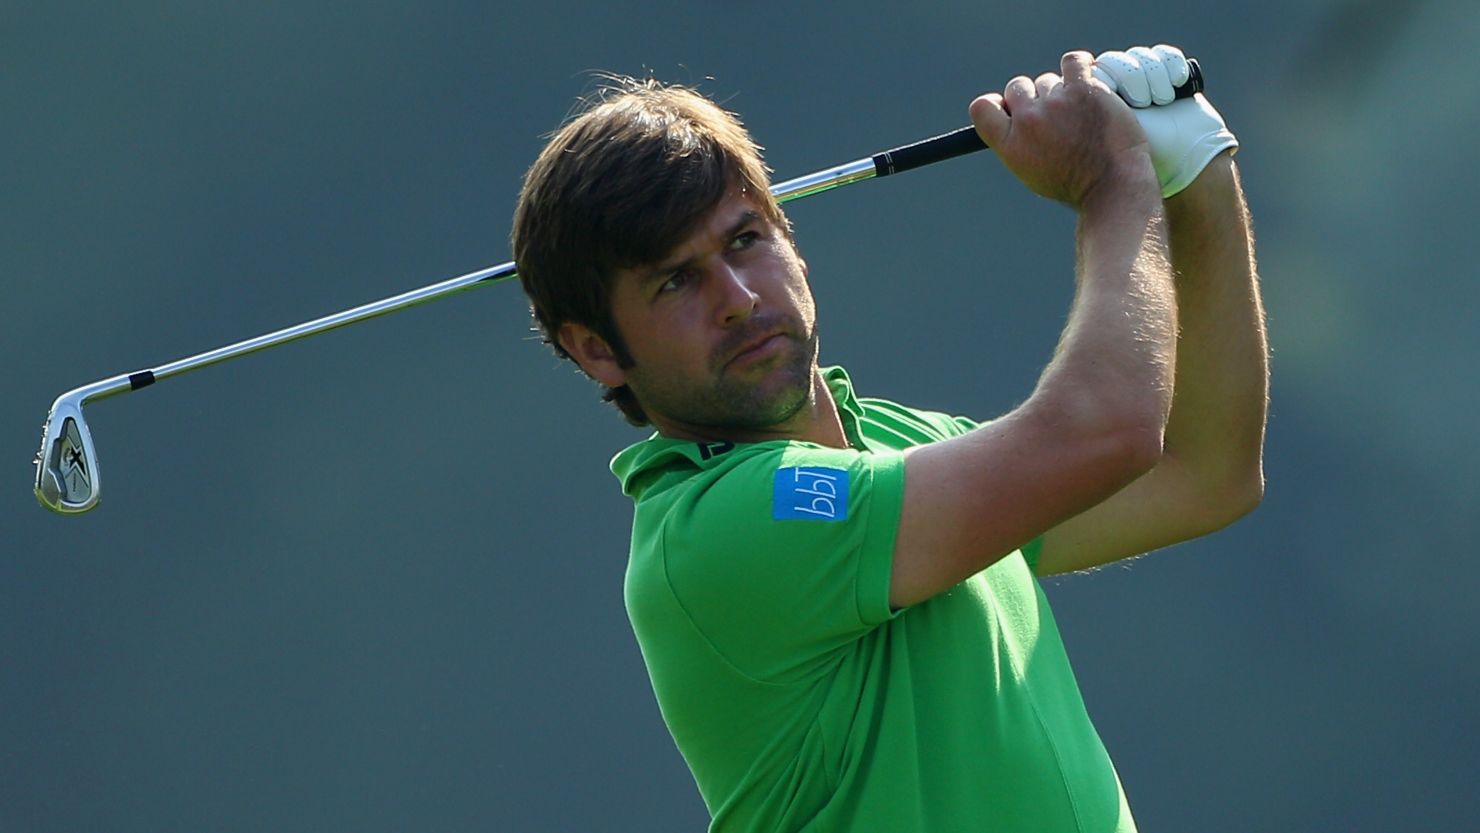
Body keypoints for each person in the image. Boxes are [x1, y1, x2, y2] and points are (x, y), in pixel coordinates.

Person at [513, 43, 1267, 833]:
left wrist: (1196, 175)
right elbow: (1104, 431)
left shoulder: (895, 444)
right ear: (595, 348)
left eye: (744, 241)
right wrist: (1115, 184)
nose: (735, 298)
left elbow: (1204, 472)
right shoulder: (715, 528)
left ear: (789, 235)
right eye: (674, 280)